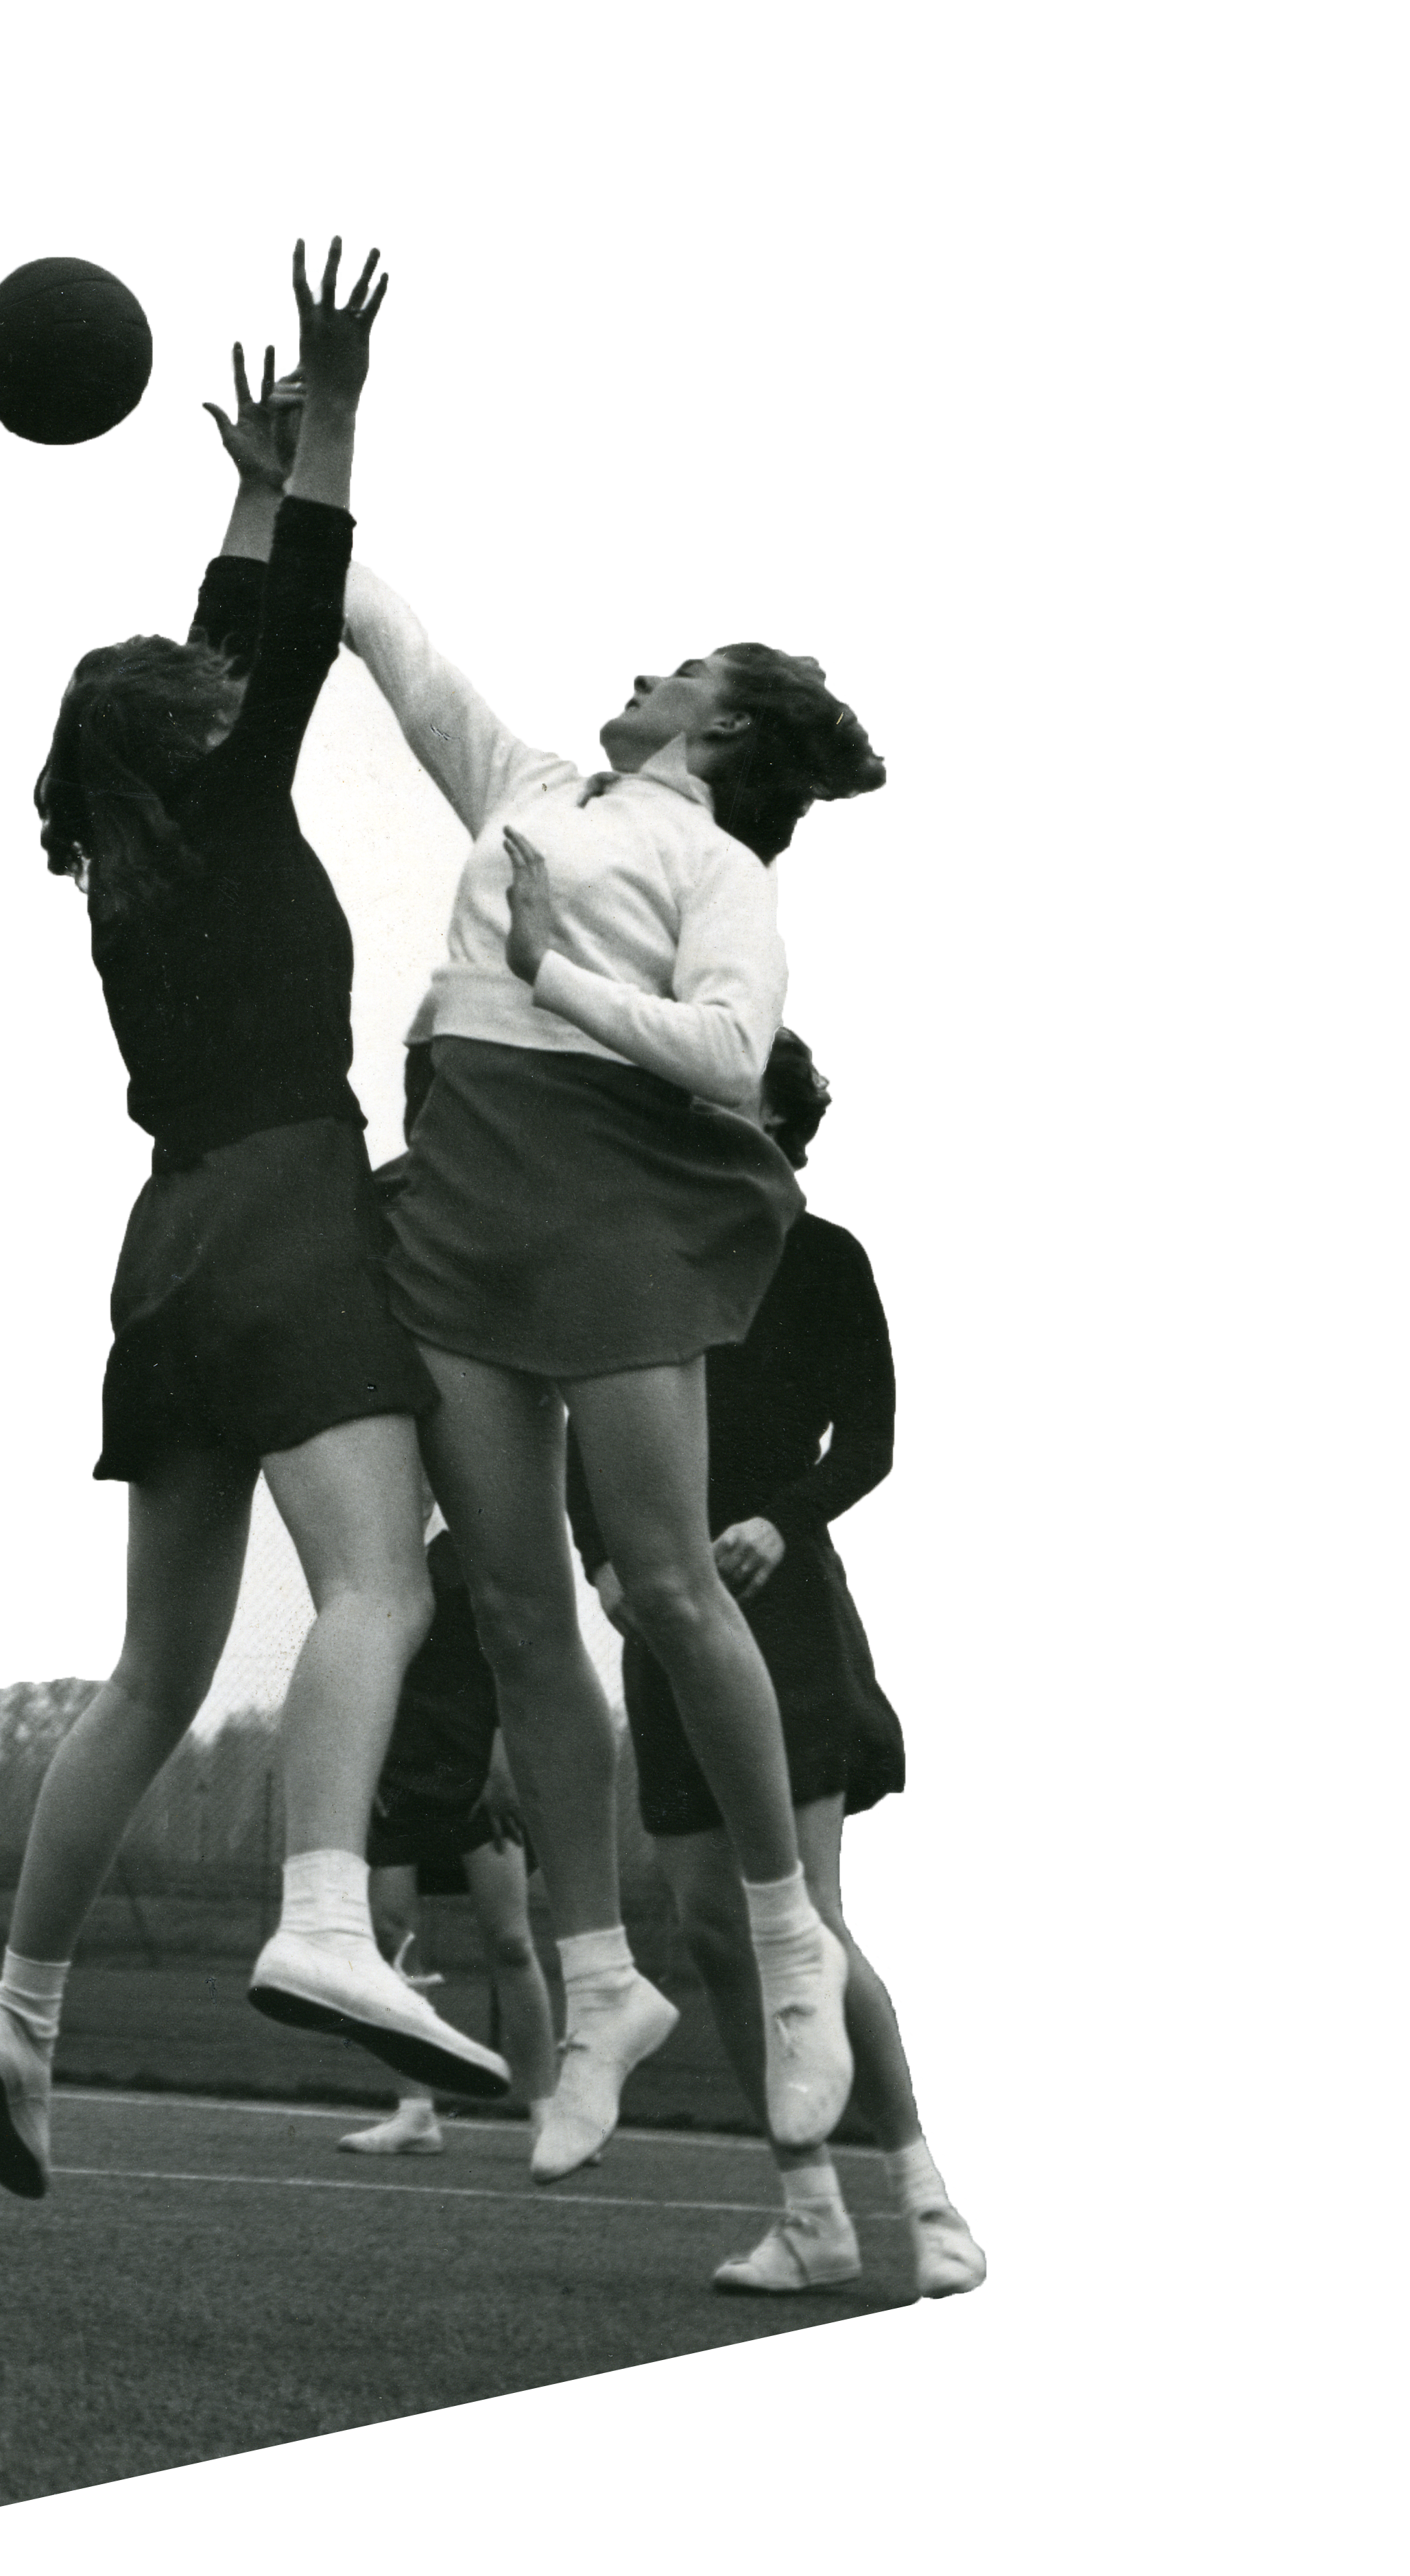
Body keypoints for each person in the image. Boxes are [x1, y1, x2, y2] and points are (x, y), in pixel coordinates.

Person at [0, 243, 510, 2206]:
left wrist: (245, 483)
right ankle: (325, 1910)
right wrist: (332, 417)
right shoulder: (232, 782)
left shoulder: (125, 858)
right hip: (280, 1206)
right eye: (208, 698)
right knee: (379, 1586)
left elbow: (228, 622)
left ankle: (19, 2012)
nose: (225, 690)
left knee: (146, 1675)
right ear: (188, 733)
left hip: (162, 1244)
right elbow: (267, 641)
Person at [340, 540, 885, 2186]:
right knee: (508, 1606)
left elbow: (729, 1053)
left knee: (659, 1585)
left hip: (609, 1209)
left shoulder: (715, 867)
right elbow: (384, 633)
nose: (649, 675)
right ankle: (599, 1993)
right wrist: (311, 459)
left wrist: (549, 973)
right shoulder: (526, 785)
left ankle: (793, 1953)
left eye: (682, 671)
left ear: (719, 729)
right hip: (464, 1202)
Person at [574, 1030, 985, 2298]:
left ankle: (927, 2194)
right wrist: (599, 1555)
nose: (710, 1114)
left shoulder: (823, 1256)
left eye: (736, 1099)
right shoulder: (646, 1255)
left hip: (780, 1602)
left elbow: (870, 1437)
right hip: (660, 1611)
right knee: (708, 1924)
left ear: (784, 1121)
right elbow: (593, 1432)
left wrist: (781, 1516)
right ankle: (808, 2209)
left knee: (801, 1916)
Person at [337, 1524, 559, 2156]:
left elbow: (519, 1663)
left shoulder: (485, 1544)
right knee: (392, 1941)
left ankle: (548, 2113)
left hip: (477, 1769)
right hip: (398, 1766)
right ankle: (415, 2112)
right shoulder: (372, 1551)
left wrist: (503, 1759)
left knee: (512, 1942)